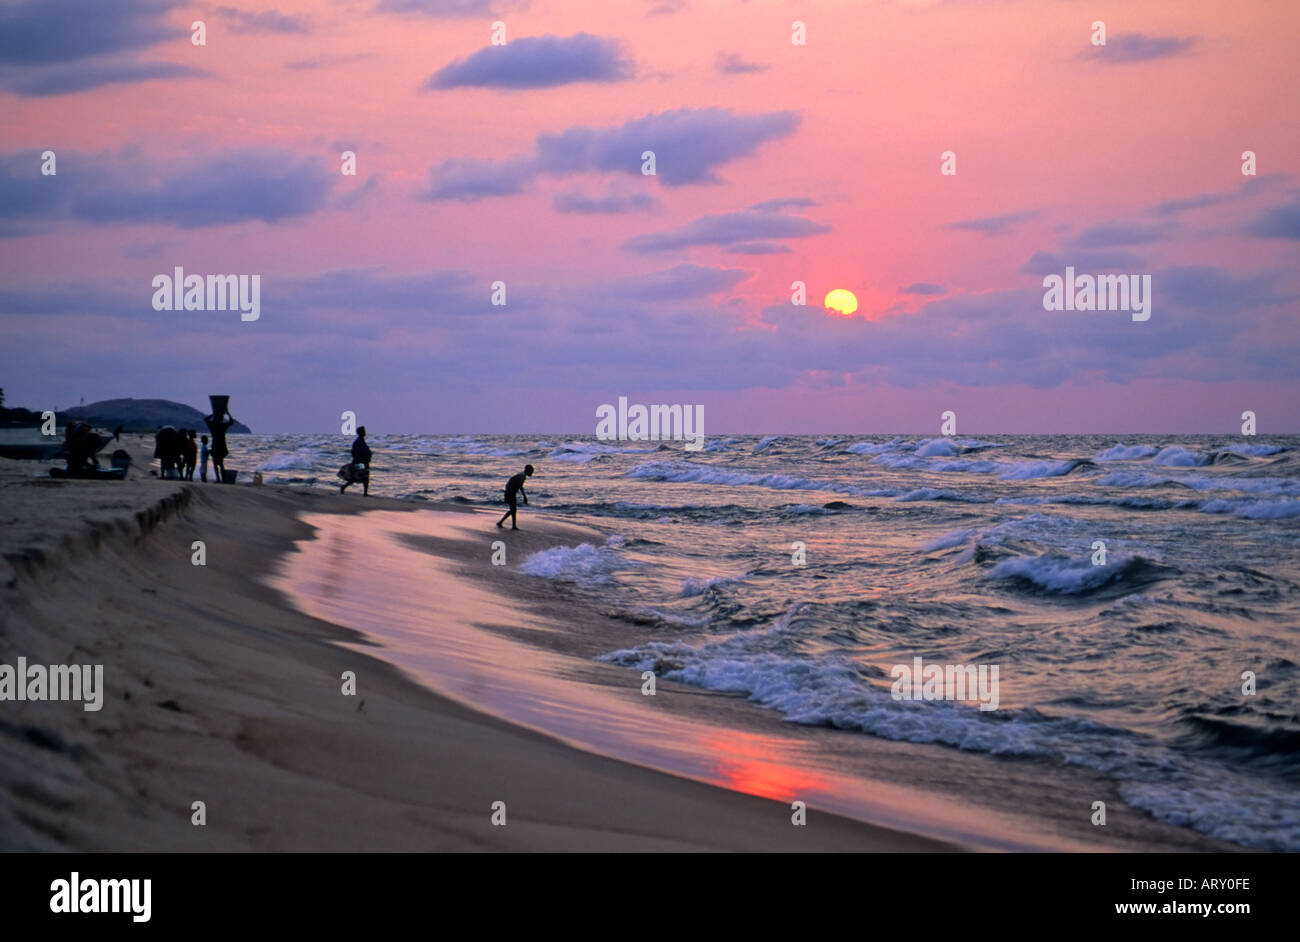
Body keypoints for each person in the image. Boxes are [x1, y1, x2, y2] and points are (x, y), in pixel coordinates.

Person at [496, 464, 534, 530]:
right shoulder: (521, 476)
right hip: (510, 492)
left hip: (510, 492)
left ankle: (502, 523)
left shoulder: (522, 475)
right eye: (531, 471)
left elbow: (520, 486)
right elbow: (519, 486)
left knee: (513, 509)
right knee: (513, 509)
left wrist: (524, 496)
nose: (532, 473)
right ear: (527, 471)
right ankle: (511, 525)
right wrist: (524, 497)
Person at [204, 407, 236, 482]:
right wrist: (227, 413)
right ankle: (223, 479)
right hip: (221, 446)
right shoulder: (222, 426)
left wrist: (213, 414)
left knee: (216, 463)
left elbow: (205, 419)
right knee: (220, 463)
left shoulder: (213, 425)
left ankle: (218, 479)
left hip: (215, 445)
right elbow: (231, 422)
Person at [340, 426, 372, 496]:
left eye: (364, 431)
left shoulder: (360, 440)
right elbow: (355, 452)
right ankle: (365, 493)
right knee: (364, 477)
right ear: (360, 432)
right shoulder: (359, 441)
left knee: (357, 477)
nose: (365, 432)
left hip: (360, 462)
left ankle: (343, 487)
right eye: (363, 431)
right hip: (359, 462)